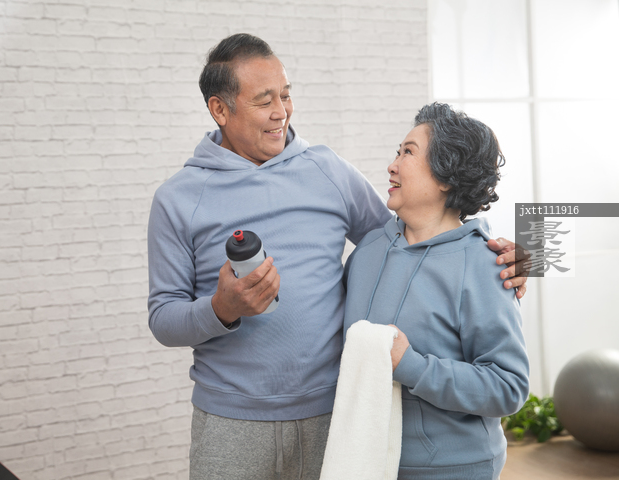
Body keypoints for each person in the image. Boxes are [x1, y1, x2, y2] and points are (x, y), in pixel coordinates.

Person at [147, 34, 527, 479]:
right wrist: (221, 308)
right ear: (220, 109)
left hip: (335, 416)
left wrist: (513, 258)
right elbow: (163, 318)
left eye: (286, 95)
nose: (281, 112)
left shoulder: (328, 171)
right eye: (264, 101)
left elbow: (422, 232)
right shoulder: (178, 199)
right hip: (231, 421)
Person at [343, 103, 530, 479]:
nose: (392, 165)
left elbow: (508, 386)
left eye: (407, 153)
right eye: (397, 152)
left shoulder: (483, 264)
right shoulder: (366, 253)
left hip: (452, 468)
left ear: (446, 176)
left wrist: (410, 366)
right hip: (369, 463)